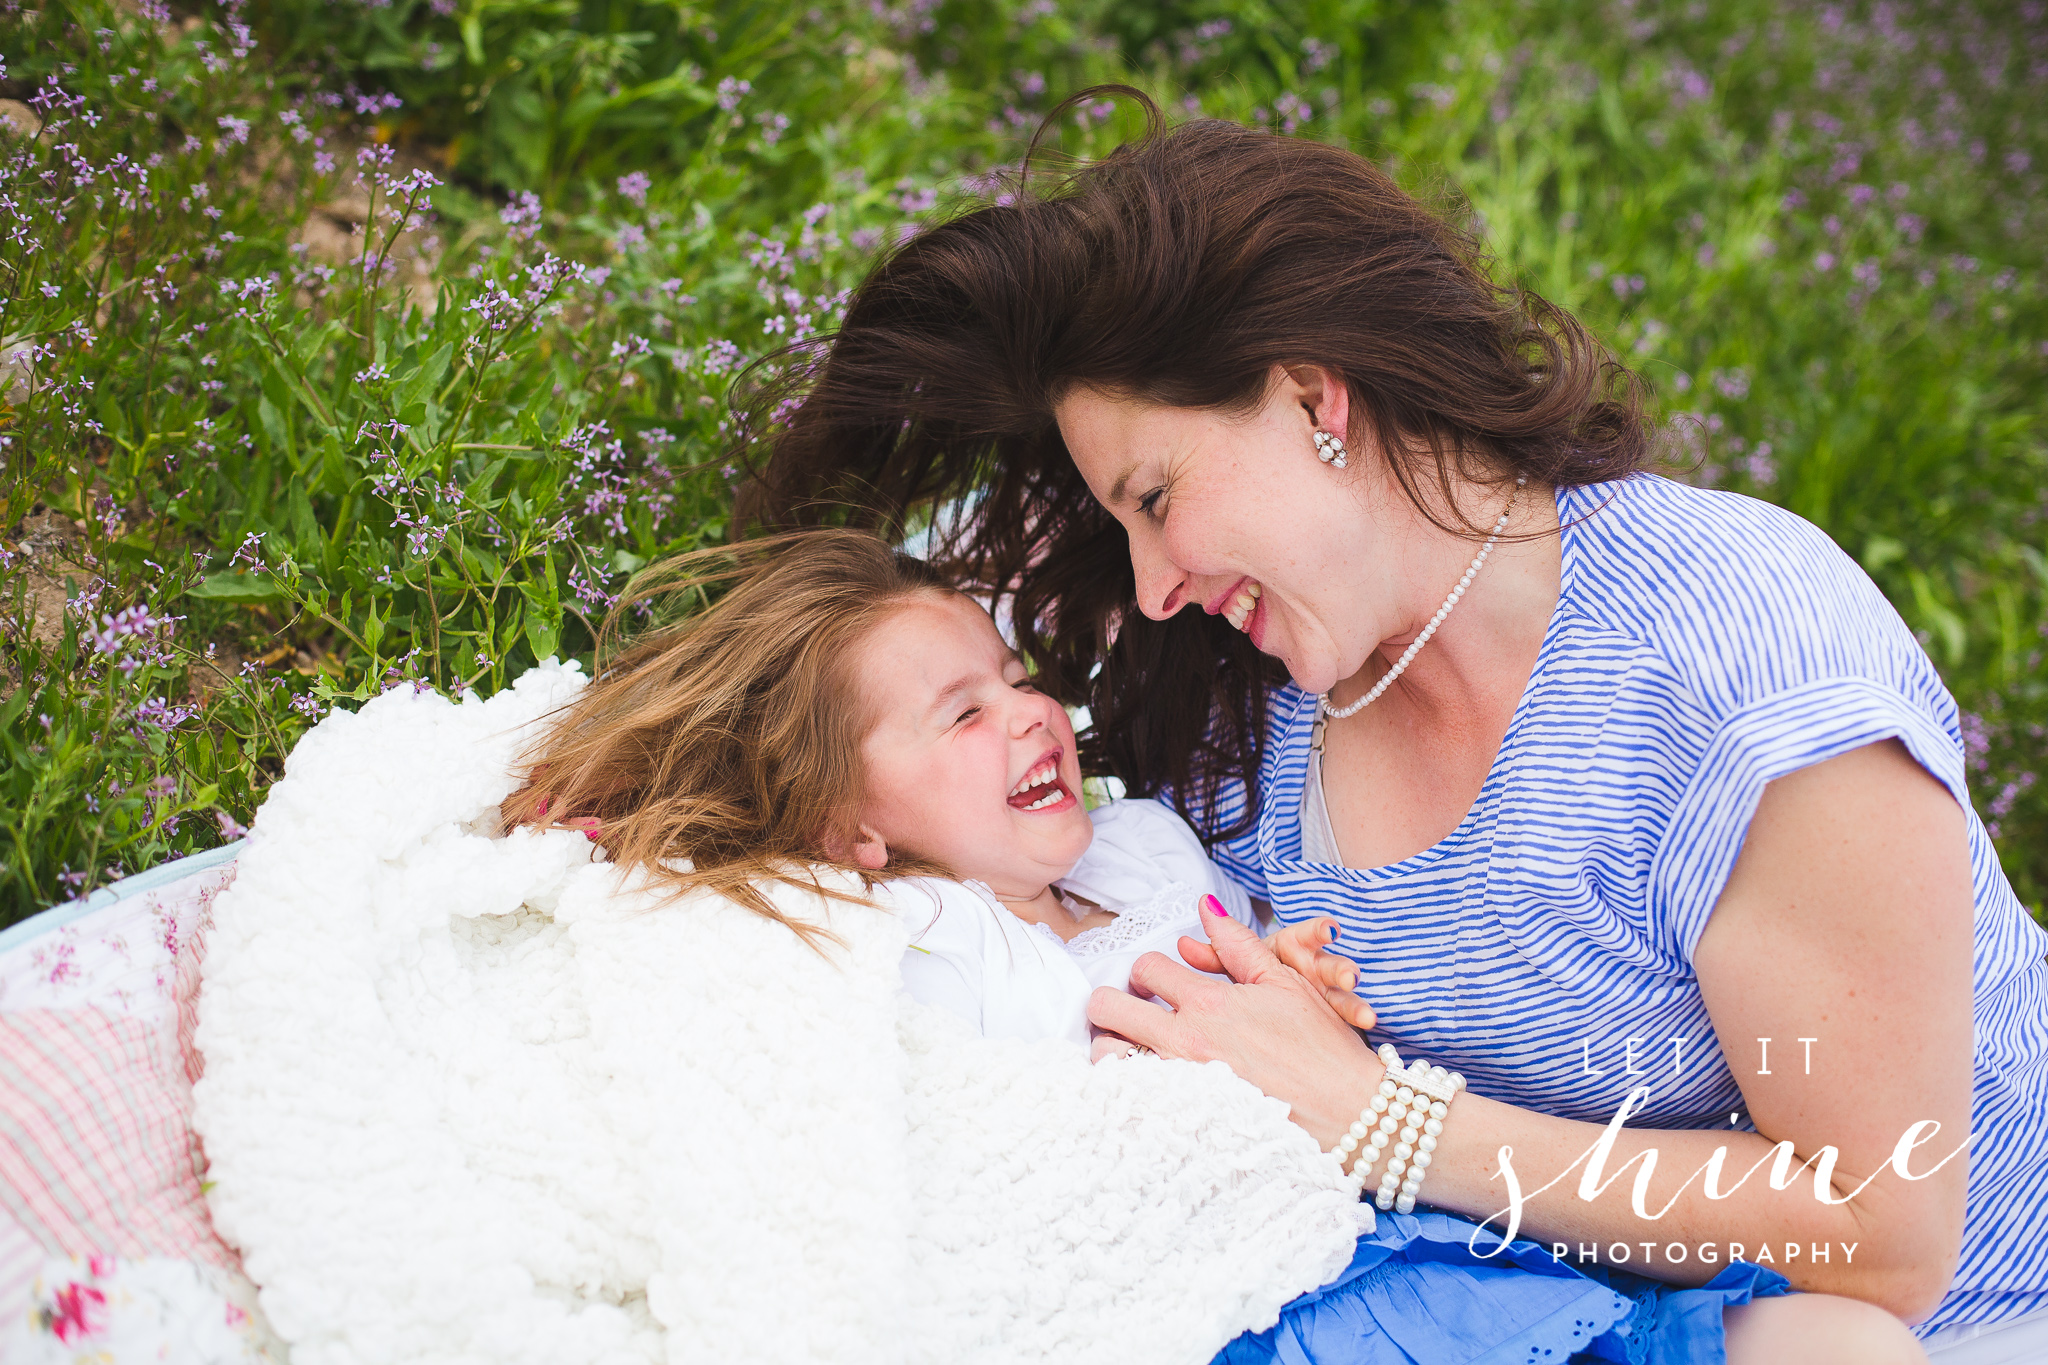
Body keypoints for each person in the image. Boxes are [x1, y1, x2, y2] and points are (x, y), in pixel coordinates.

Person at [735, 88, 2048, 1359]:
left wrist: (1384, 1124)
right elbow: (865, 682)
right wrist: (689, 807)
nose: (1149, 579)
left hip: (1964, 1320)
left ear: (1315, 398)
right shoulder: (1236, 683)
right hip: (1518, 1320)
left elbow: (1882, 1230)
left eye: (1155, 496)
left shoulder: (1734, 666)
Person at [504, 528, 1921, 1364]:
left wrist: (1295, 980)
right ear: (851, 827)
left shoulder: (1143, 852)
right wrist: (633, 819)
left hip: (1405, 1234)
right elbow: (867, 1064)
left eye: (1015, 676)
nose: (1029, 712)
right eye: (958, 715)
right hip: (1262, 1304)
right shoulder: (917, 928)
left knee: (1849, 1342)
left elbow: (1265, 1014)